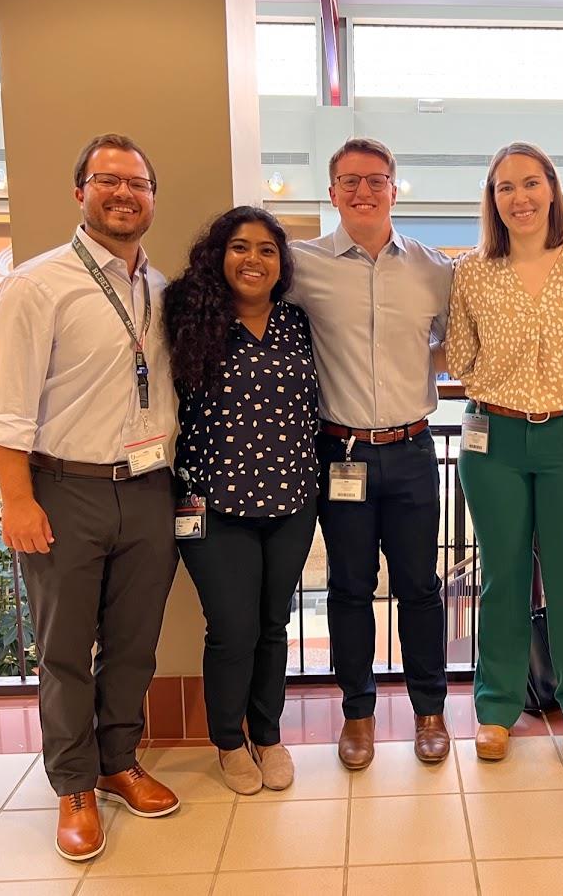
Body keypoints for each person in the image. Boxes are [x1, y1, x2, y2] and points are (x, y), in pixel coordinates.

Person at [0, 134, 180, 861]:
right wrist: (17, 500)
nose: (124, 193)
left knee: (132, 644)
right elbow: (4, 409)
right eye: (107, 180)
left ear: (154, 198)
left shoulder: (161, 290)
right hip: (66, 490)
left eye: (138, 183)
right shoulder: (36, 285)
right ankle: (72, 784)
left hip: (149, 492)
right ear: (80, 193)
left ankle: (117, 760)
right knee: (64, 649)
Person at [446, 142, 563, 764]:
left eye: (531, 183)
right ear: (492, 199)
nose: (519, 198)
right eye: (505, 187)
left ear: (552, 189)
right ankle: (496, 706)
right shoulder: (471, 271)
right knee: (503, 576)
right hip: (494, 439)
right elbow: (460, 356)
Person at [289, 138, 453, 770]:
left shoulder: (432, 269)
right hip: (340, 453)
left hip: (412, 449)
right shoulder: (301, 266)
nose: (363, 191)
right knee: (350, 589)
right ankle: (357, 715)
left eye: (376, 180)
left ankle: (429, 712)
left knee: (419, 587)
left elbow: (452, 342)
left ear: (394, 188)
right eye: (350, 181)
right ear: (332, 193)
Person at [164, 206, 319, 795]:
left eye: (266, 250)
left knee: (273, 625)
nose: (253, 259)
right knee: (232, 628)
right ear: (218, 255)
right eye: (239, 247)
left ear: (281, 265)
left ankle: (268, 733)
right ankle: (229, 742)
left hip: (291, 500)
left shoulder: (296, 323)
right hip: (211, 505)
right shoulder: (189, 318)